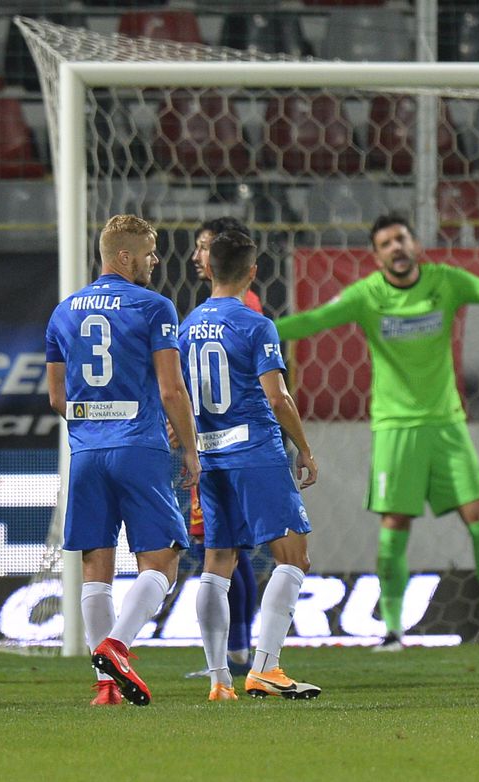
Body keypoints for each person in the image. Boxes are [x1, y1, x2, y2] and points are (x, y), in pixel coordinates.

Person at [275, 215, 479, 652]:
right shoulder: (367, 296)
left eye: (401, 238)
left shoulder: (445, 282)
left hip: (447, 425)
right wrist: (256, 331)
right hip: (396, 428)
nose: (395, 247)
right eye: (385, 243)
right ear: (376, 256)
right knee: (395, 523)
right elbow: (314, 321)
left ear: (415, 244)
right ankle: (393, 632)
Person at [44, 214, 201, 706]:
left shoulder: (64, 311)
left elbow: (55, 399)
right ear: (126, 256)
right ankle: (115, 647)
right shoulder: (155, 307)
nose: (156, 261)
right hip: (140, 447)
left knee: (97, 565)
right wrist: (191, 446)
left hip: (86, 452)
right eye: (151, 253)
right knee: (162, 561)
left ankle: (105, 687)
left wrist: (96, 418)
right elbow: (172, 387)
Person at [179, 231, 321, 701]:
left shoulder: (187, 325)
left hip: (211, 453)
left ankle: (220, 679)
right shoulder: (256, 324)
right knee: (294, 555)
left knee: (217, 563)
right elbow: (277, 396)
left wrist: (188, 450)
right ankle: (266, 668)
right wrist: (303, 447)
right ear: (252, 272)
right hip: (255, 450)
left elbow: (177, 397)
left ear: (209, 268)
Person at [186, 216, 260, 677]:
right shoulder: (229, 304)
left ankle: (236, 652)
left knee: (220, 550)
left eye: (204, 247)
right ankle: (238, 650)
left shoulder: (238, 306)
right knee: (229, 551)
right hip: (222, 441)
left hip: (224, 445)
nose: (198, 256)